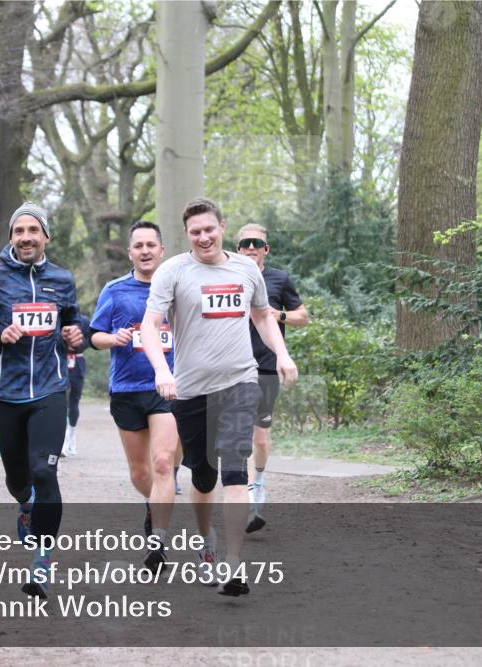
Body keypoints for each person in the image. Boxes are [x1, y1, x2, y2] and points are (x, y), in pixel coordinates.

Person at [141, 198, 298, 597]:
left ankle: (233, 564)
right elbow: (150, 324)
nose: (204, 237)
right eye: (195, 232)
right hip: (190, 389)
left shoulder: (246, 270)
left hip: (240, 382)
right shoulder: (173, 271)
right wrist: (162, 370)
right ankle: (206, 541)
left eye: (209, 229)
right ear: (187, 235)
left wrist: (282, 354)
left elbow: (262, 316)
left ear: (222, 227)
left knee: (233, 471)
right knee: (203, 476)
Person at [0, 202, 86, 598]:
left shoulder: (62, 279)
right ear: (11, 238)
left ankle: (42, 563)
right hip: (6, 393)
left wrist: (75, 333)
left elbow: (73, 320)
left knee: (45, 473)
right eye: (19, 231)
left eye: (33, 230)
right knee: (18, 481)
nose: (26, 237)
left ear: (45, 236)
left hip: (50, 389)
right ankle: (25, 504)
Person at [89, 221, 179, 570]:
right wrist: (114, 339)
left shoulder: (176, 288)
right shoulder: (115, 290)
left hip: (167, 388)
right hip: (126, 389)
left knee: (162, 464)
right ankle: (155, 503)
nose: (145, 251)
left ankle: (158, 540)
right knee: (141, 473)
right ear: (130, 253)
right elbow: (94, 336)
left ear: (161, 251)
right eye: (138, 245)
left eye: (151, 245)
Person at [236, 223, 309, 533]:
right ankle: (245, 498)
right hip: (232, 366)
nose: (251, 248)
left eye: (257, 243)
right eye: (245, 244)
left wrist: (274, 314)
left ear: (266, 249)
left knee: (261, 439)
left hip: (266, 366)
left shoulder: (279, 279)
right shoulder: (227, 277)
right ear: (237, 249)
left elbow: (303, 317)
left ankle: (259, 481)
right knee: (236, 438)